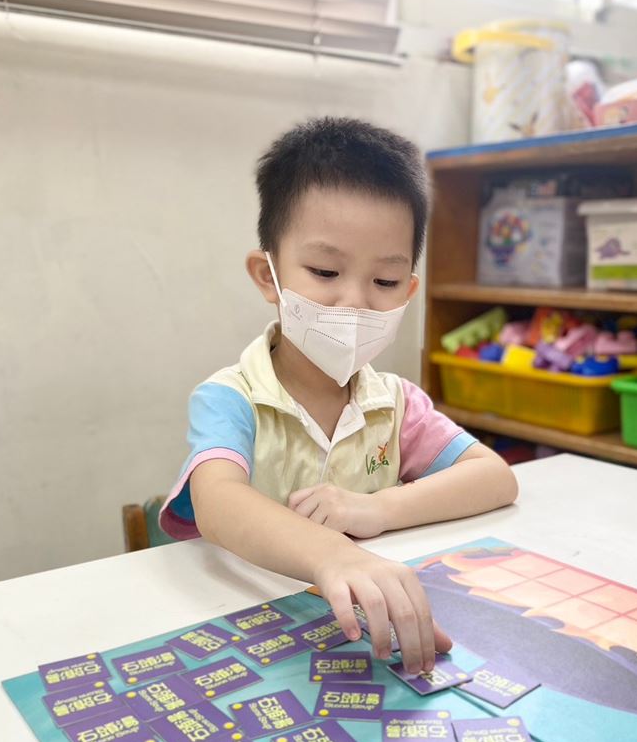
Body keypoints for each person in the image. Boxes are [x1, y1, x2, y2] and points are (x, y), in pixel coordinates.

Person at [160, 117, 518, 676]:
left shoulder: (396, 403)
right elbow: (217, 501)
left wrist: (376, 508)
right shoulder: (232, 397)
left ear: (410, 289)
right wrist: (334, 555)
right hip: (255, 633)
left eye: (385, 282)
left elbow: (494, 477)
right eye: (326, 271)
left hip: (363, 633)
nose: (354, 301)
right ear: (268, 276)